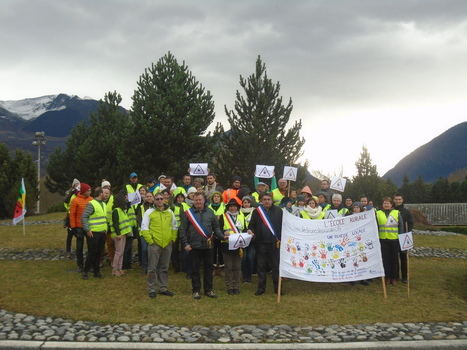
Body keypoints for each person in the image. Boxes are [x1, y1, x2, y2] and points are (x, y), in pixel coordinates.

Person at [179, 193, 227, 299]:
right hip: (194, 246)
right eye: (196, 200)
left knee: (208, 268)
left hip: (208, 245)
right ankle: (196, 290)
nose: (198, 202)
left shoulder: (210, 212)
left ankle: (208, 290)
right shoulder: (188, 213)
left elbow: (216, 228)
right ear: (193, 201)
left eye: (200, 200)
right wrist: (185, 244)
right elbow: (182, 230)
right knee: (195, 269)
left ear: (204, 201)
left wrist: (223, 237)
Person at [141, 192, 178, 298]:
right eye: (157, 199)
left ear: (164, 200)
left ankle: (163, 287)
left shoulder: (169, 212)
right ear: (154, 200)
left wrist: (173, 238)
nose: (159, 201)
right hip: (154, 244)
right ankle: (152, 288)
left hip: (167, 244)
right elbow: (144, 227)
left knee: (164, 267)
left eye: (161, 198)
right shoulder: (149, 212)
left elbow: (174, 226)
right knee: (152, 268)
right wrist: (150, 241)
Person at [247, 192, 283, 296]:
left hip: (274, 243)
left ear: (272, 200)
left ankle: (278, 288)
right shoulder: (257, 212)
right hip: (260, 243)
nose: (267, 201)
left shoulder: (279, 211)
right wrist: (250, 230)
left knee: (276, 267)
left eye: (268, 199)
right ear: (261, 201)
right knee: (261, 266)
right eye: (265, 199)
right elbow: (251, 225)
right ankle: (261, 288)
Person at [219, 197, 247, 295]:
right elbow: (217, 230)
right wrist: (223, 232)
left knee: (237, 267)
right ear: (228, 208)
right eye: (231, 206)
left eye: (235, 206)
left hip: (238, 246)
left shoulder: (241, 216)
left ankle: (236, 286)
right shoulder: (223, 217)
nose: (233, 208)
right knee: (228, 267)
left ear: (237, 208)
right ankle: (229, 286)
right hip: (226, 245)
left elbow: (244, 229)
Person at [81, 187, 110, 280]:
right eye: (104, 193)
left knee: (99, 252)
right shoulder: (92, 204)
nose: (106, 195)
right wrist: (87, 229)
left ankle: (96, 272)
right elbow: (84, 217)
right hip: (93, 232)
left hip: (102, 232)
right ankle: (85, 271)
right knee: (92, 253)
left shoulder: (104, 204)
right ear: (100, 194)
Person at [376, 197, 404, 286]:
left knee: (394, 259)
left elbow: (401, 226)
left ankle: (394, 277)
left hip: (394, 239)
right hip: (383, 239)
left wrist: (401, 237)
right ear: (382, 204)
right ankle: (387, 277)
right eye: (384, 203)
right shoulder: (378, 213)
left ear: (391, 204)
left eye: (388, 203)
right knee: (385, 259)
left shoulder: (396, 213)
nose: (386, 205)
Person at [120, 172, 143, 270]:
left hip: (139, 219)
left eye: (136, 178)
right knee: (128, 245)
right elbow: (122, 197)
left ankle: (141, 261)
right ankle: (126, 264)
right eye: (132, 178)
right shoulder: (126, 187)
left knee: (141, 243)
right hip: (130, 221)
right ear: (130, 179)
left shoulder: (141, 186)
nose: (134, 179)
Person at [69, 182, 93, 272]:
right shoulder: (75, 200)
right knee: (79, 247)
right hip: (79, 227)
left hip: (89, 226)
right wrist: (73, 228)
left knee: (90, 246)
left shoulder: (91, 199)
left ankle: (89, 264)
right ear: (83, 191)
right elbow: (72, 215)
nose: (90, 192)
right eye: (88, 190)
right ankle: (80, 265)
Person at [394, 192, 413, 284]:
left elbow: (410, 223)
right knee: (395, 258)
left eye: (399, 199)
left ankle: (404, 276)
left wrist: (408, 233)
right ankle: (396, 275)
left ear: (402, 200)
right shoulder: (392, 210)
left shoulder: (406, 212)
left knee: (404, 257)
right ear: (394, 200)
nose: (398, 201)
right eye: (396, 199)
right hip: (393, 237)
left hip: (404, 237)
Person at [110, 193, 131, 276]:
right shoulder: (116, 211)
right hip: (118, 234)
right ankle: (115, 269)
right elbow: (115, 223)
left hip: (123, 233)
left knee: (121, 252)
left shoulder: (122, 210)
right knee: (118, 252)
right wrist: (118, 233)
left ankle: (120, 268)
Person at [208, 191, 226, 276]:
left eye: (218, 197)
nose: (216, 198)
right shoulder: (208, 207)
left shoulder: (224, 207)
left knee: (221, 250)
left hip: (221, 231)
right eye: (214, 196)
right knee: (213, 251)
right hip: (211, 232)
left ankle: (222, 268)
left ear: (220, 198)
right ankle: (213, 268)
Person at [63, 178, 80, 259]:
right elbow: (65, 201)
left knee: (78, 235)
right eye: (76, 185)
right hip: (70, 215)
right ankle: (68, 251)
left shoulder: (79, 193)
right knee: (70, 235)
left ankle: (78, 250)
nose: (77, 186)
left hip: (78, 216)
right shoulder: (69, 192)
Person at [240, 196, 255, 284]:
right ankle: (244, 276)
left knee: (250, 257)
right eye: (244, 202)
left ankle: (249, 276)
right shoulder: (239, 212)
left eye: (248, 202)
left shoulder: (254, 212)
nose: (246, 204)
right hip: (242, 239)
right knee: (243, 257)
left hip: (251, 239)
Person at [101, 180, 115, 267]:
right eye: (105, 187)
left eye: (108, 187)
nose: (107, 190)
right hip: (101, 227)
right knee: (100, 245)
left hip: (110, 226)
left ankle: (112, 260)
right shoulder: (98, 201)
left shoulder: (113, 199)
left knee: (110, 245)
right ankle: (100, 260)